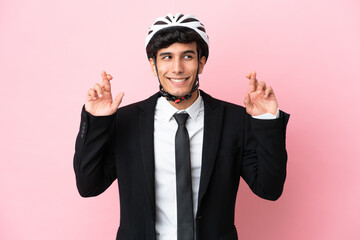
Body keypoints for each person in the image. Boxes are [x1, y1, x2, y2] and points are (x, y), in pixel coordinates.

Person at [74, 13, 290, 240]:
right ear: (153, 65)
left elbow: (270, 189)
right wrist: (97, 121)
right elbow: (89, 186)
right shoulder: (125, 122)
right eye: (166, 57)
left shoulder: (235, 120)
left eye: (187, 56)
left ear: (201, 63)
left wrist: (266, 121)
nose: (177, 68)